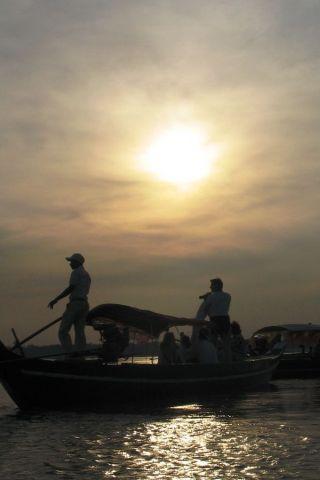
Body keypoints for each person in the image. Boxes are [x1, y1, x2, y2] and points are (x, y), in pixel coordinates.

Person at [48, 253, 91, 353]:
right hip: (84, 304)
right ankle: (79, 354)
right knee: (80, 332)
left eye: (71, 262)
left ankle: (70, 353)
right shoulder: (86, 274)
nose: (70, 264)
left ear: (77, 262)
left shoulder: (76, 272)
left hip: (76, 304)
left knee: (63, 331)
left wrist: (56, 299)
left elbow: (71, 288)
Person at [196, 278, 232, 363]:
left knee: (213, 344)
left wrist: (206, 299)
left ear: (217, 285)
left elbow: (205, 310)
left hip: (215, 320)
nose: (210, 287)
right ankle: (229, 363)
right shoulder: (228, 296)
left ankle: (214, 363)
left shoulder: (211, 297)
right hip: (225, 319)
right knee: (226, 345)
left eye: (212, 285)